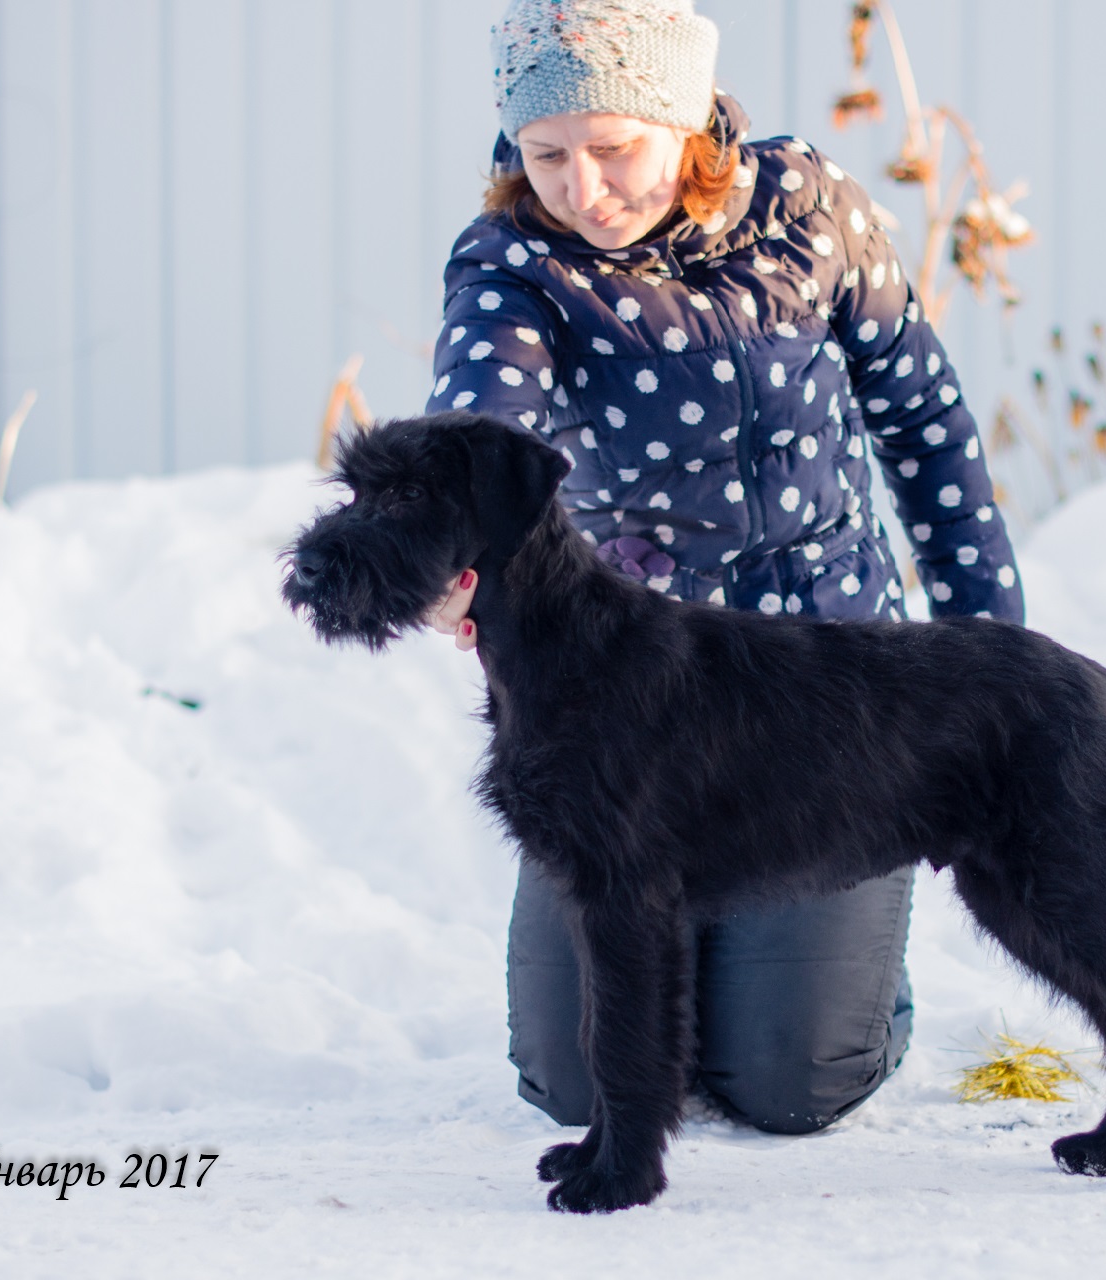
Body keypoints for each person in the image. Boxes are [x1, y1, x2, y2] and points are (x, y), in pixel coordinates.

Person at [424, 0, 1025, 1137]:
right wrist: (456, 547)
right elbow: (477, 421)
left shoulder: (812, 209)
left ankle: (837, 981)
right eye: (546, 155)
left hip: (834, 685)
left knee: (794, 1078)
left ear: (687, 120)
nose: (582, 188)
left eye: (614, 148)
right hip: (631, 694)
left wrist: (992, 647)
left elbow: (928, 430)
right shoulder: (515, 260)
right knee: (574, 1080)